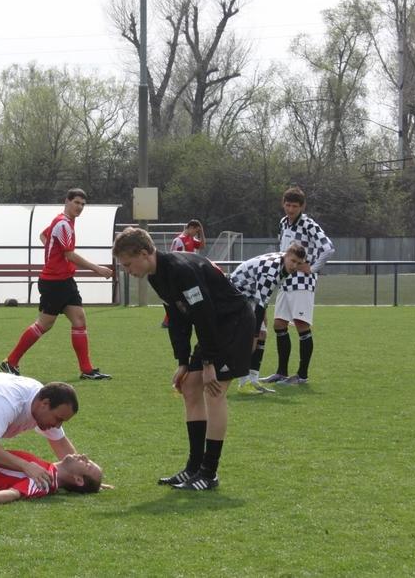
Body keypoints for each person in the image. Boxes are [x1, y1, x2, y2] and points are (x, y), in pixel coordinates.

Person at [113, 226, 254, 490]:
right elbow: (178, 319)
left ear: (144, 253)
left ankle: (209, 473)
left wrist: (209, 363)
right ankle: (193, 468)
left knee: (214, 391)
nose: (127, 270)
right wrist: (183, 362)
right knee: (190, 386)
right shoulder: (157, 275)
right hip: (212, 326)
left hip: (232, 323)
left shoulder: (180, 269)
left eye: (128, 264)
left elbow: (203, 313)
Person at [0, 189, 114, 381]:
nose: (80, 207)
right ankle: (10, 361)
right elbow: (69, 254)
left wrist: (54, 255)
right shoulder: (63, 224)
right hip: (54, 282)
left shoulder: (63, 222)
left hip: (64, 281)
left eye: (83, 205)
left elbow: (44, 236)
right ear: (67, 201)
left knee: (79, 320)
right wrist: (97, 269)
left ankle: (86, 370)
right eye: (76, 203)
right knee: (44, 325)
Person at [261, 187, 335, 386]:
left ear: (302, 206)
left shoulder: (309, 224)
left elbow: (328, 248)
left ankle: (302, 376)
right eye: (288, 205)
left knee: (301, 325)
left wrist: (313, 268)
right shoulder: (283, 223)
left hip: (302, 283)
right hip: (285, 281)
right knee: (279, 324)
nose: (291, 209)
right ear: (283, 203)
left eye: (295, 206)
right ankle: (281, 372)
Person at [228, 243, 307, 394]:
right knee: (249, 339)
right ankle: (243, 384)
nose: (295, 266)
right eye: (293, 261)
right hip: (236, 294)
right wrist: (253, 335)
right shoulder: (272, 271)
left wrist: (262, 314)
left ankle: (253, 381)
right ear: (286, 255)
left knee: (262, 334)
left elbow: (263, 296)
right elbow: (259, 301)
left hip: (249, 296)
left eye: (299, 263)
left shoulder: (282, 265)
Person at [163, 219, 206, 328]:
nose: (196, 234)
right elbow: (173, 256)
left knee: (186, 296)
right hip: (180, 273)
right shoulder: (179, 240)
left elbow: (201, 246)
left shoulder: (191, 239)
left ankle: (172, 320)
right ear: (190, 228)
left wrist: (202, 233)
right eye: (196, 231)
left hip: (188, 272)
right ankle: (168, 320)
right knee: (180, 297)